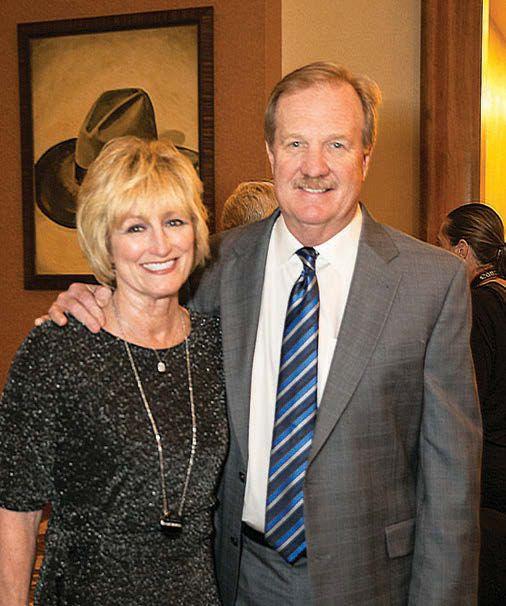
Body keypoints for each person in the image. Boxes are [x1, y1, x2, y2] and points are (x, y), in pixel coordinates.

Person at [43, 62, 482, 605]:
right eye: (296, 143)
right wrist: (93, 303)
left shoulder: (431, 283)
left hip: (371, 583)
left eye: (337, 144)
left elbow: (451, 485)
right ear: (271, 153)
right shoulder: (210, 266)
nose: (314, 167)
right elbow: (143, 328)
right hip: (237, 576)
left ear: (366, 157)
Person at [0, 137, 227, 605]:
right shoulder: (58, 349)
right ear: (105, 240)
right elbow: (16, 510)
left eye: (174, 221)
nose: (160, 244)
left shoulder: (216, 345)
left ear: (196, 229)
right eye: (135, 227)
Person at [439, 203, 506, 605]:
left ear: (462, 249)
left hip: (491, 476)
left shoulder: (478, 308)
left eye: (441, 246)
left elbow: (468, 400)